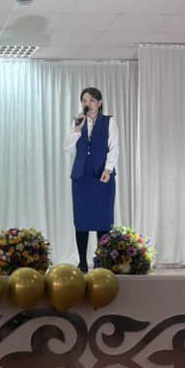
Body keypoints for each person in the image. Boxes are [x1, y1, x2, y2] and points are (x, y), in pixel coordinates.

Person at [64, 87, 118, 272]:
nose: (88, 104)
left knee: (103, 219)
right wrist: (76, 129)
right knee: (82, 219)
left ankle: (101, 260)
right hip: (81, 177)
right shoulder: (78, 122)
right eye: (84, 101)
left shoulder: (109, 121)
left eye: (92, 100)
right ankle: (82, 262)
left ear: (99, 103)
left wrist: (108, 169)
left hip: (102, 176)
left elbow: (114, 147)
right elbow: (68, 149)